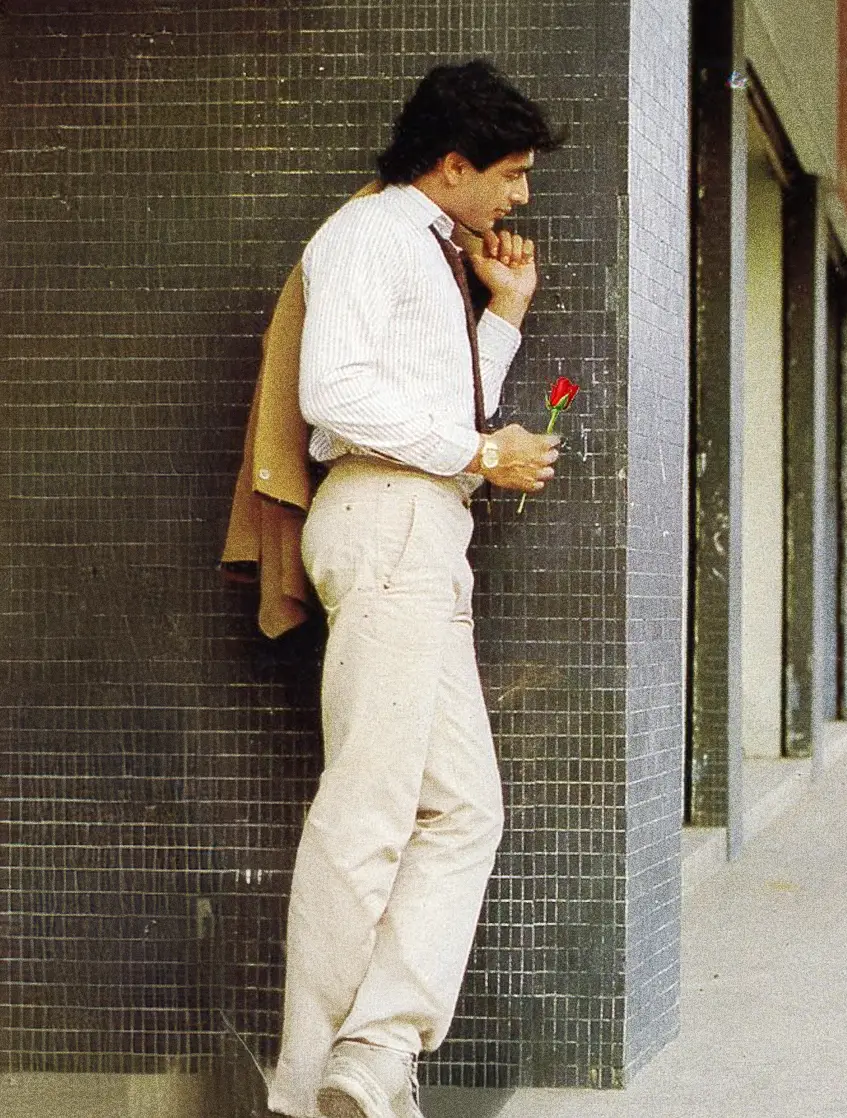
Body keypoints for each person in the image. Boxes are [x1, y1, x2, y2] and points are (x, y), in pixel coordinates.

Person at [268, 59, 564, 1118]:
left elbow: (440, 401)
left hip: (420, 529)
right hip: (389, 520)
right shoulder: (370, 236)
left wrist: (505, 313)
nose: (518, 196)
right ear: (451, 163)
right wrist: (483, 453)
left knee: (465, 812)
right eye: (510, 173)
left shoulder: (431, 249)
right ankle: (307, 1082)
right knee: (369, 812)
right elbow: (333, 393)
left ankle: (373, 1053)